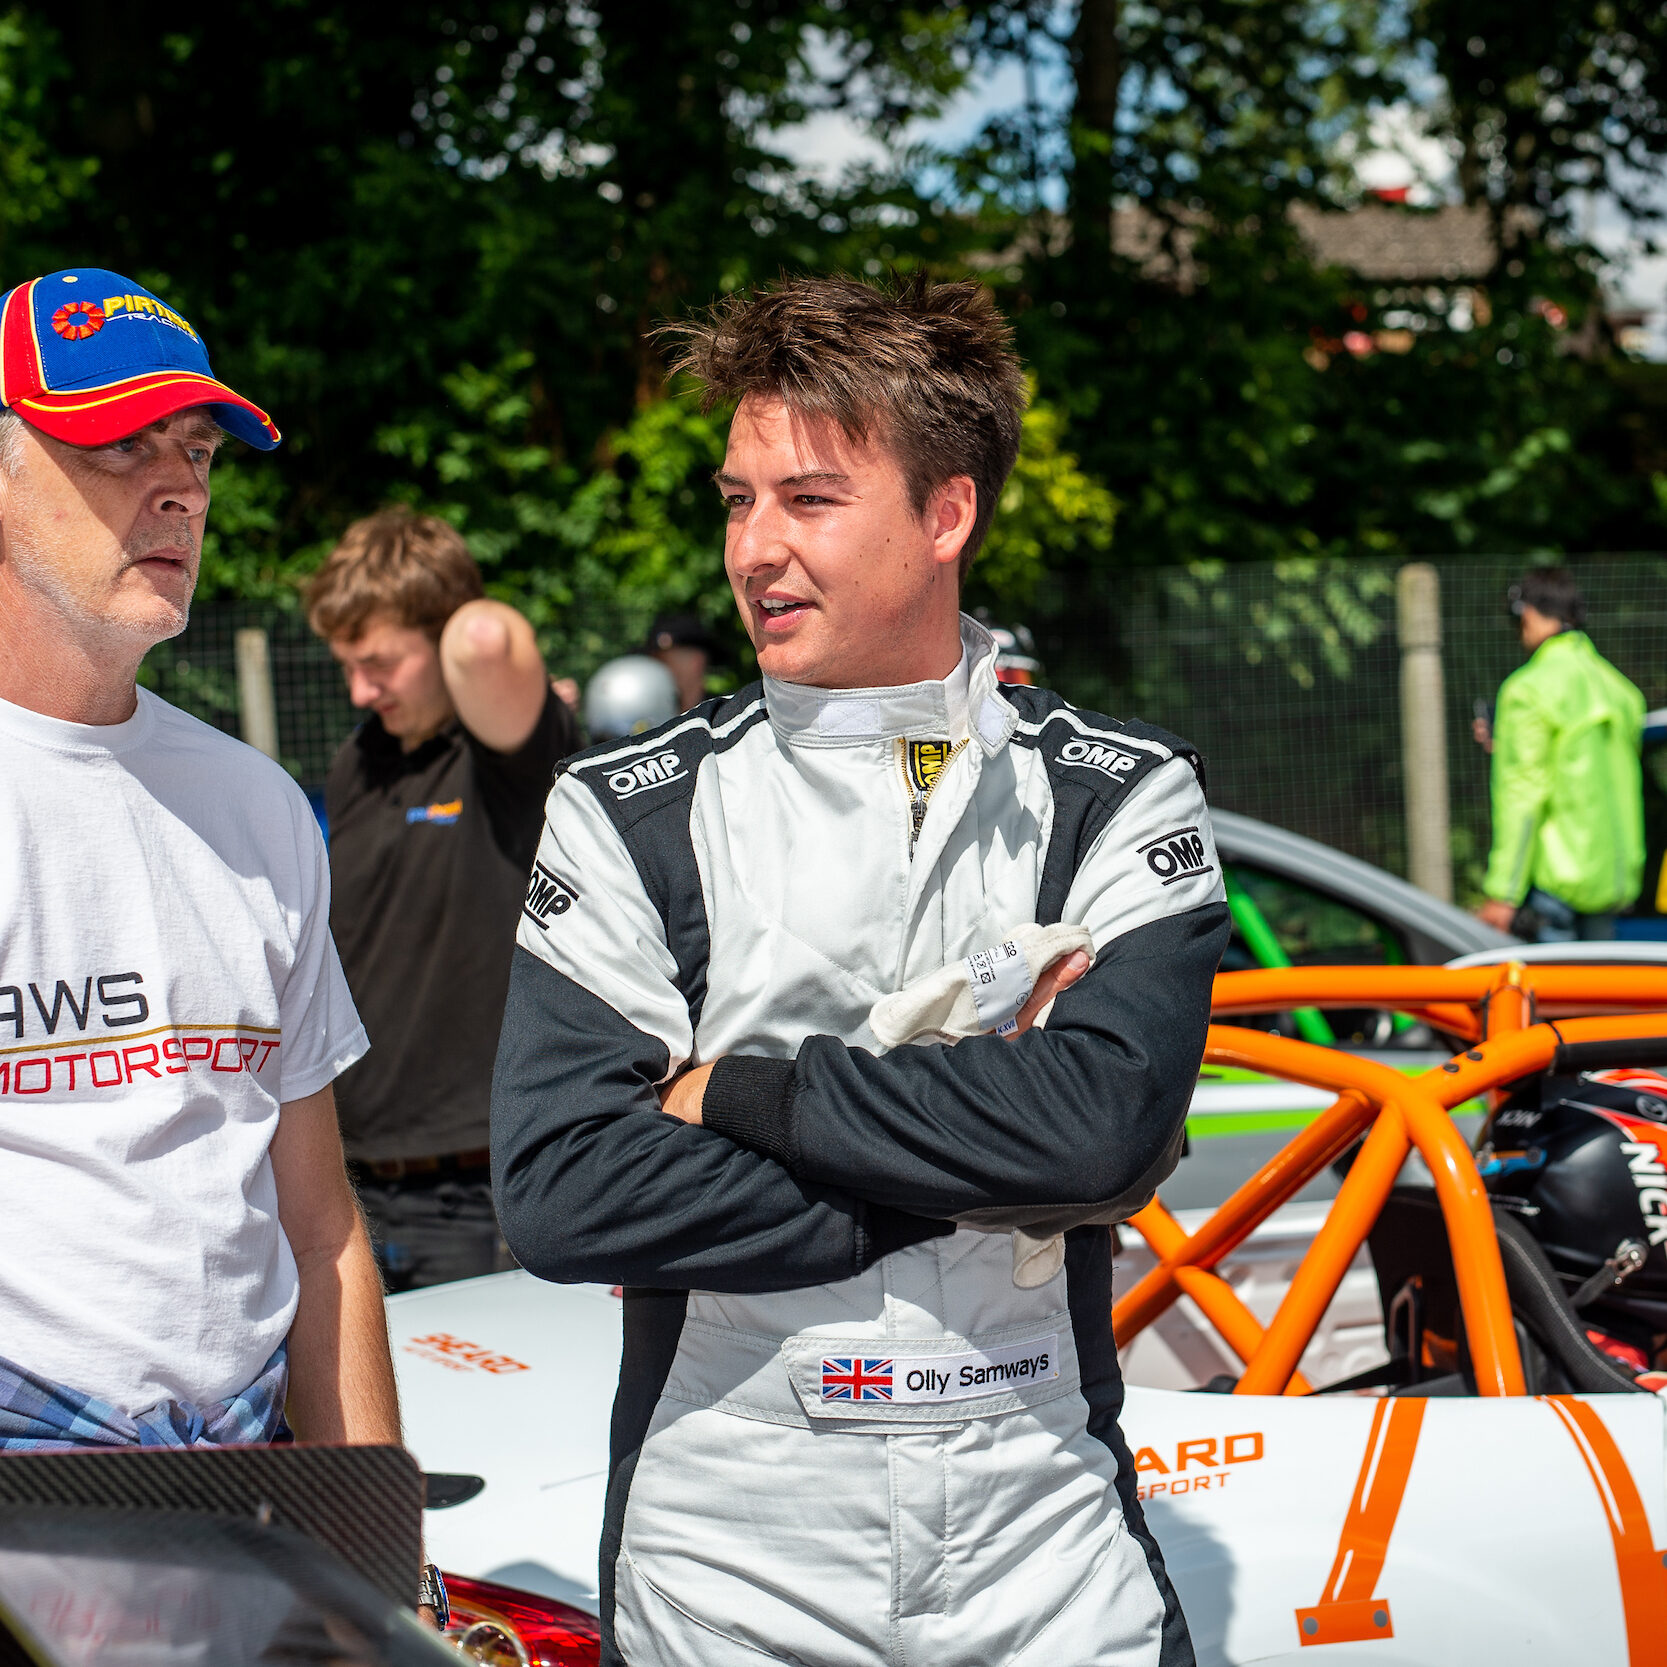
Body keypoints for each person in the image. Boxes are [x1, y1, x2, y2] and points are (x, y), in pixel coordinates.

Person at [492, 275, 1228, 1667]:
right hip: (730, 1548)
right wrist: (967, 1164)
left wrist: (743, 1093)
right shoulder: (625, 806)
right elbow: (563, 1187)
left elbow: (1102, 1125)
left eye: (809, 500)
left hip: (1046, 1539)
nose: (753, 549)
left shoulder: (1116, 792)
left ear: (945, 513)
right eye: (735, 499)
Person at [0, 268, 398, 1454]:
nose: (181, 486)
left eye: (200, 452)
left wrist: (381, 1552)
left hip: (250, 1479)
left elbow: (322, 1228)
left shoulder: (256, 807)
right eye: (123, 443)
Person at [307, 511, 580, 1289]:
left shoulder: (511, 753)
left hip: (479, 1186)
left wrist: (451, 606)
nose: (361, 689)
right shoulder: (362, 759)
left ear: (439, 634)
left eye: (380, 661)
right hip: (354, 1180)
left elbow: (488, 643)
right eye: (346, 664)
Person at [1476, 568, 1644, 942]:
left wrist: (1503, 891)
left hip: (1554, 888)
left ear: (1528, 614)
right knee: (1600, 996)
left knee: (1546, 998)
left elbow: (1523, 793)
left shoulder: (1528, 690)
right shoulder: (1621, 691)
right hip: (1610, 884)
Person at [645, 611, 720, 710]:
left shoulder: (724, 714)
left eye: (664, 660)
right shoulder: (645, 716)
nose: (656, 670)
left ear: (696, 662)